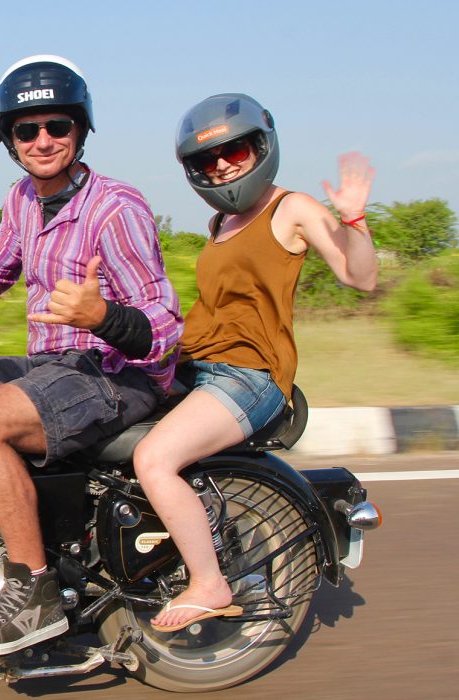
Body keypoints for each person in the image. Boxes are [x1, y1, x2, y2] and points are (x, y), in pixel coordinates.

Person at [0, 55, 183, 657]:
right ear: (8, 138)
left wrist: (104, 317)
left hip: (118, 373)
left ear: (81, 129)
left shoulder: (116, 209)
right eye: (26, 129)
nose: (42, 141)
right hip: (55, 368)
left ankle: (32, 592)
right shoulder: (22, 200)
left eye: (57, 127)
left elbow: (166, 325)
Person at [132, 93, 378, 633]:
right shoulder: (221, 220)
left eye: (234, 150)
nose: (221, 165)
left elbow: (359, 277)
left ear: (260, 147)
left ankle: (209, 583)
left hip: (249, 377)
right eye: (206, 160)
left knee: (154, 459)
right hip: (196, 367)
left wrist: (353, 216)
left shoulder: (291, 208)